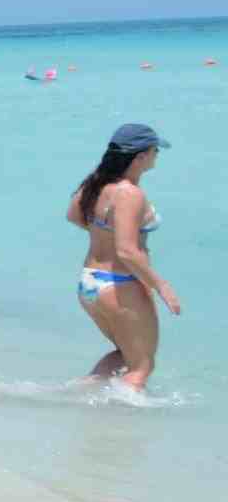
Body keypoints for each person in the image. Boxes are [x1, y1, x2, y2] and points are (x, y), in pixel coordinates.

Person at [65, 123, 179, 389]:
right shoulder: (130, 193)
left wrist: (104, 232)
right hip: (118, 283)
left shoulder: (96, 183)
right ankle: (123, 427)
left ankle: (74, 393)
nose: (156, 156)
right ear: (140, 156)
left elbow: (74, 216)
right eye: (154, 151)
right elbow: (126, 250)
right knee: (142, 366)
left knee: (124, 356)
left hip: (90, 282)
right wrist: (162, 286)